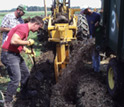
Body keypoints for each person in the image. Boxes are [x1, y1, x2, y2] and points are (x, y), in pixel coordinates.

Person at [1, 16, 44, 107]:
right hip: (9, 54)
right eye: (38, 28)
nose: (37, 31)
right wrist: (28, 42)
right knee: (16, 78)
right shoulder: (23, 28)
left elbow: (18, 43)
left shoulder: (24, 28)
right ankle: (8, 101)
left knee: (26, 74)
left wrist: (26, 50)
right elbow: (14, 41)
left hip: (14, 54)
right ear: (35, 24)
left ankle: (24, 94)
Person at [81, 7, 101, 72]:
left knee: (96, 53)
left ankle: (97, 70)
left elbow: (103, 22)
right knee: (92, 52)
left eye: (84, 12)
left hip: (97, 36)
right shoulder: (87, 16)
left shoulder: (97, 15)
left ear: (88, 10)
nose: (84, 13)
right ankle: (94, 67)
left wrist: (98, 23)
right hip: (91, 36)